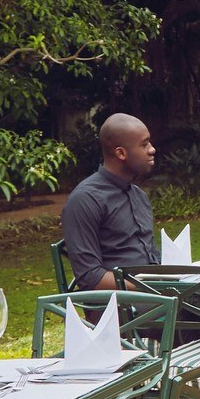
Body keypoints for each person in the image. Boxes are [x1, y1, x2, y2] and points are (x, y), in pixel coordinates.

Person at [60, 113, 156, 291]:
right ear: (121, 153)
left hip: (157, 295)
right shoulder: (85, 200)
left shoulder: (138, 196)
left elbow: (151, 257)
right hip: (121, 303)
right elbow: (90, 277)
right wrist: (150, 288)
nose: (152, 149)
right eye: (144, 144)